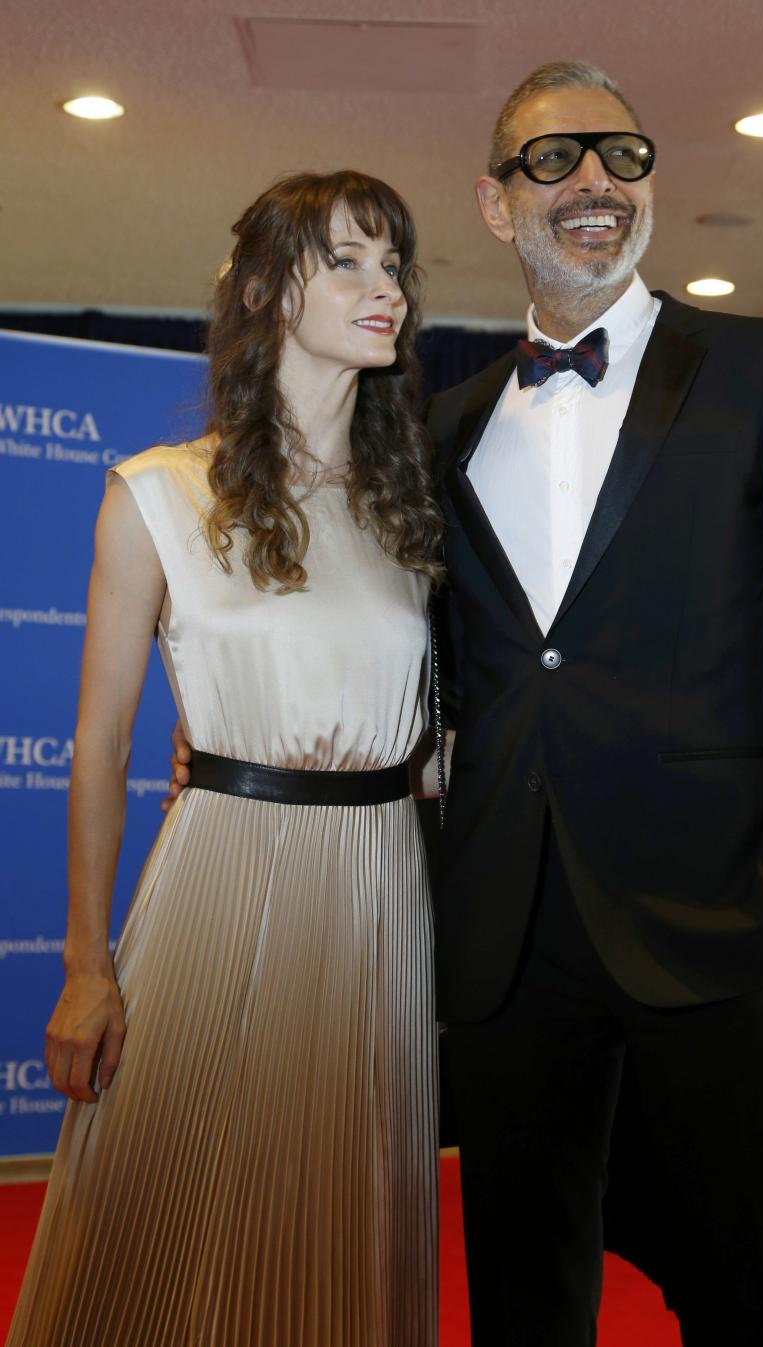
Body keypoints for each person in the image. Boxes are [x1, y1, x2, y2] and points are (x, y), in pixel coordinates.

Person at [425, 62, 763, 1347]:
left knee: (758, 1299)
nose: (596, 182)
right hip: (507, 941)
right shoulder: (442, 424)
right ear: (495, 204)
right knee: (527, 1305)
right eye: (554, 160)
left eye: (623, 156)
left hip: (721, 923)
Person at [7, 170, 443, 1347]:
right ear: (262, 289)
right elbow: (98, 748)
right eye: (345, 260)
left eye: (393, 264)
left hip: (379, 896)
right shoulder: (156, 494)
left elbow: (431, 724)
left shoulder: (412, 515)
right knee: (167, 1224)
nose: (383, 288)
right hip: (219, 876)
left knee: (345, 1226)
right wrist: (86, 966)